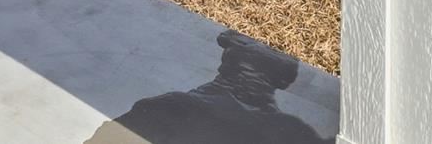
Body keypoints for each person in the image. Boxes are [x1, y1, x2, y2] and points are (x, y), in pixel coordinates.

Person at [84, 29, 330, 144]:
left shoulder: (288, 128)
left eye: (263, 77)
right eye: (245, 73)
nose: (253, 84)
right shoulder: (174, 107)